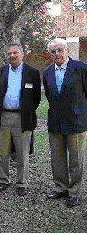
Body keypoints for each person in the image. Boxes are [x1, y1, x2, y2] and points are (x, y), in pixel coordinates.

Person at [43, 38, 87, 208]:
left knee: (76, 160)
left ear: (67, 50)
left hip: (76, 121)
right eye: (53, 52)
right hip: (55, 121)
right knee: (57, 158)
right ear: (50, 54)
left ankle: (75, 192)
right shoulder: (47, 72)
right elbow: (50, 95)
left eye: (60, 50)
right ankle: (61, 188)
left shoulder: (81, 68)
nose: (57, 54)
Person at [0, 42, 41, 196]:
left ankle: (22, 183)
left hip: (23, 118)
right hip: (4, 116)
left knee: (22, 153)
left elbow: (36, 99)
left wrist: (26, 110)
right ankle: (3, 180)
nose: (12, 56)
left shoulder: (32, 72)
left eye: (15, 53)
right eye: (9, 53)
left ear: (22, 54)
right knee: (3, 152)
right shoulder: (1, 71)